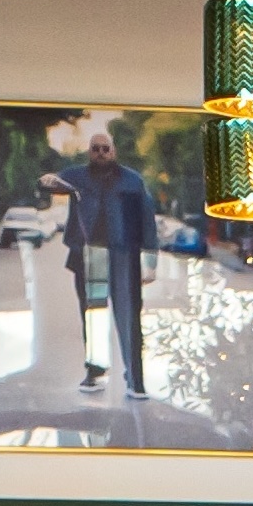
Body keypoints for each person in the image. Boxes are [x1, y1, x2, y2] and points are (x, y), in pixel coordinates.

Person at [40, 132, 153, 399]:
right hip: (89, 253)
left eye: (105, 149)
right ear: (89, 152)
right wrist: (50, 181)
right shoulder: (76, 176)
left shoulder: (132, 180)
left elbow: (147, 219)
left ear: (113, 151)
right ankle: (94, 372)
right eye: (95, 149)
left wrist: (150, 261)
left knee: (129, 318)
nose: (100, 153)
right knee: (93, 316)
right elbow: (47, 183)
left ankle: (135, 379)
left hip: (125, 253)